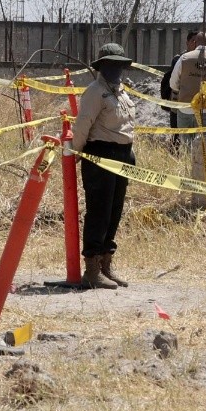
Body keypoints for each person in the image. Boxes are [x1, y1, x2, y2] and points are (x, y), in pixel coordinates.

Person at [73, 43, 137, 289]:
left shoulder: (122, 92)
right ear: (101, 66)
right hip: (100, 154)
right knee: (99, 211)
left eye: (119, 64)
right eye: (110, 64)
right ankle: (91, 268)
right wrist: (75, 152)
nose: (116, 69)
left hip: (124, 155)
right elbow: (83, 124)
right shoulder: (94, 91)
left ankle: (106, 265)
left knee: (114, 211)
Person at [168, 31, 206, 140]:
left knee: (186, 146)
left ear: (195, 42)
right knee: (204, 145)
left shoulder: (184, 58)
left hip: (185, 108)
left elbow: (173, 84)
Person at [160, 30, 198, 149]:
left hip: (196, 105)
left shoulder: (203, 61)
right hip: (178, 104)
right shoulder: (180, 59)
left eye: (198, 41)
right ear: (187, 43)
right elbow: (174, 83)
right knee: (177, 135)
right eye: (193, 41)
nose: (196, 44)